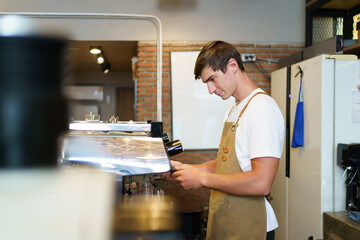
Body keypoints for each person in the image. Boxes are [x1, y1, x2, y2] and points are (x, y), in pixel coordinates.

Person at [165, 41, 284, 240]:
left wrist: (201, 179)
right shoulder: (233, 109)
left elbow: (262, 182)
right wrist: (186, 170)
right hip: (228, 218)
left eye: (213, 79)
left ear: (232, 66)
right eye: (206, 83)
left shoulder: (262, 108)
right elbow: (227, 163)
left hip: (250, 225)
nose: (210, 90)